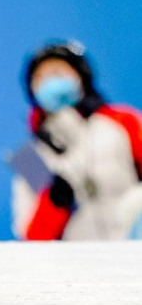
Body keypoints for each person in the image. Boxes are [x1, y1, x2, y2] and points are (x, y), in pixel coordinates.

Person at [11, 40, 142, 240]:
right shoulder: (32, 158)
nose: (50, 83)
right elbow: (31, 238)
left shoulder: (121, 122)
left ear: (81, 77)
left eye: (57, 73)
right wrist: (55, 202)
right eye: (41, 78)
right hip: (79, 263)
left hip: (132, 246)